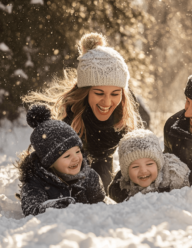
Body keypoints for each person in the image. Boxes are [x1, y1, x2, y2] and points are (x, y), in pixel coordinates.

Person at [22, 32, 143, 191]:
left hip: (102, 159)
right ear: (85, 92)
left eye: (115, 94)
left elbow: (143, 154)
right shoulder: (69, 120)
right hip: (73, 161)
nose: (107, 102)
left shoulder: (124, 114)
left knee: (104, 185)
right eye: (99, 93)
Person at [16, 104, 106, 217]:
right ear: (50, 162)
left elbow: (100, 204)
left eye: (78, 151)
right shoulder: (35, 182)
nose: (75, 158)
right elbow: (32, 209)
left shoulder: (89, 176)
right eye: (67, 156)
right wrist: (53, 207)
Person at [108, 129, 192, 203]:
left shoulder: (173, 173)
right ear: (126, 172)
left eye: (149, 164)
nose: (143, 170)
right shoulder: (123, 185)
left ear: (158, 164)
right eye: (135, 167)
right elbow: (114, 193)